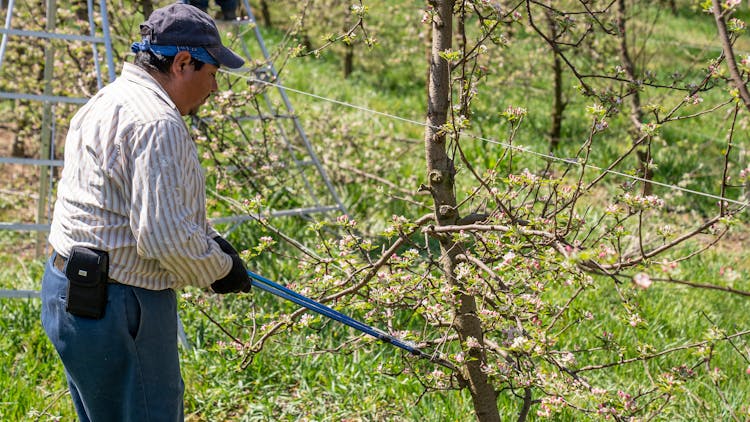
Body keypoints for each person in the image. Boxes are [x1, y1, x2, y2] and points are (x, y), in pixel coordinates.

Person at [40, 3, 251, 421]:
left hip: (69, 293)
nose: (214, 89)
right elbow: (163, 237)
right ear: (183, 63)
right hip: (121, 307)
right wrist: (219, 268)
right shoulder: (158, 122)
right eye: (212, 75)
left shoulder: (109, 98)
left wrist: (205, 242)